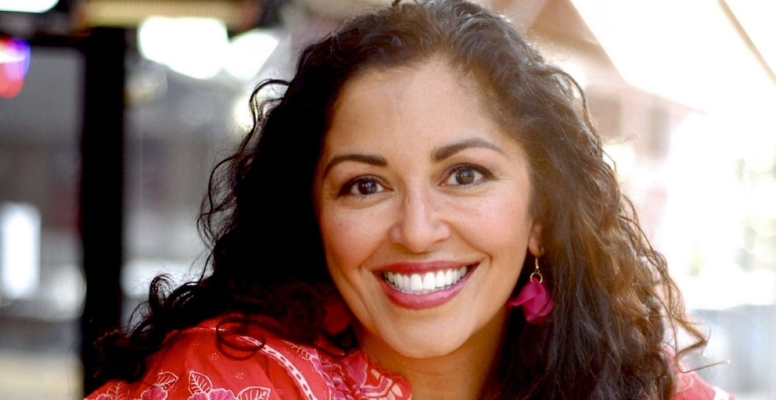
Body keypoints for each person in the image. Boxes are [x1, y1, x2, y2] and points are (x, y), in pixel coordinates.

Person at [86, 1, 733, 399]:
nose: (418, 231)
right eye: (365, 186)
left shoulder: (631, 384)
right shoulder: (228, 384)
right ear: (312, 213)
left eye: (465, 175)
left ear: (541, 214)